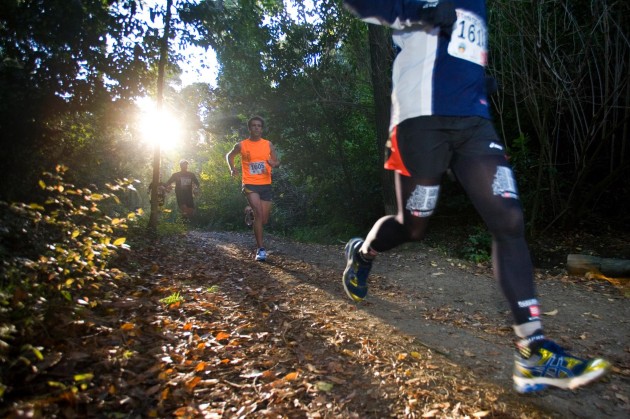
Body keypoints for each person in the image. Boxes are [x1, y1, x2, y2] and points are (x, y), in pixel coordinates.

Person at [341, 0, 609, 394]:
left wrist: (479, 81)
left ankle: (532, 350)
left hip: (473, 122)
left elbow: (459, 48)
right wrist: (425, 9)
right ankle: (363, 254)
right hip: (421, 119)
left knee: (509, 220)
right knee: (412, 225)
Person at [226, 116, 280, 261]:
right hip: (249, 183)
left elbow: (277, 161)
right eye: (254, 126)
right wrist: (232, 168)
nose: (256, 128)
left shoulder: (268, 144)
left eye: (259, 126)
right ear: (249, 128)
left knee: (264, 219)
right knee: (258, 214)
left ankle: (249, 211)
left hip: (265, 184)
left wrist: (273, 164)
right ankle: (260, 249)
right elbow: (229, 156)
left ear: (262, 129)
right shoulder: (242, 145)